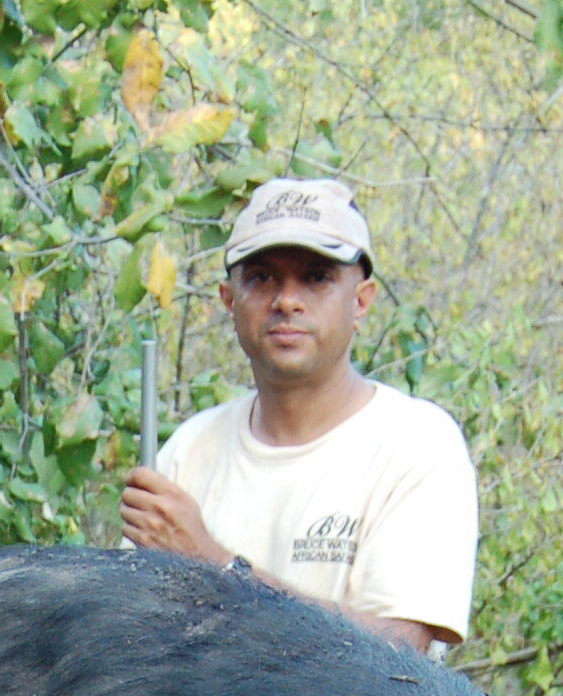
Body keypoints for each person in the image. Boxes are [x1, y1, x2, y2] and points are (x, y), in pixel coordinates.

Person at [120, 178, 477, 654]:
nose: (286, 301)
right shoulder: (189, 449)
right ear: (230, 301)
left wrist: (215, 566)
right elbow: (128, 638)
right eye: (262, 278)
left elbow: (398, 654)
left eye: (316, 277)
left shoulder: (418, 445)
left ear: (362, 300)